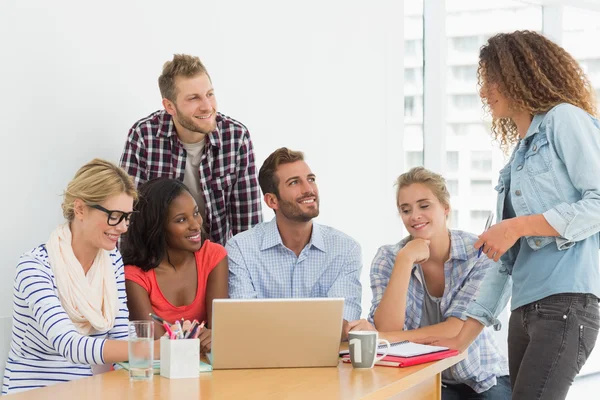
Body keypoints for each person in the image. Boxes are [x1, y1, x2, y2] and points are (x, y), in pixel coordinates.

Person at [419, 31, 600, 400]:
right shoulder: (515, 163)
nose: (485, 92)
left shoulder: (563, 120)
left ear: (521, 75)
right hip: (525, 310)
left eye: (492, 80)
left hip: (566, 302)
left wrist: (516, 226)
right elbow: (504, 263)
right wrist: (461, 338)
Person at [348, 167, 510, 399]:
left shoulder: (478, 254)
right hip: (420, 378)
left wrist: (384, 339)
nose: (414, 216)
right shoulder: (389, 257)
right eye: (405, 210)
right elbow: (387, 326)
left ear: (445, 208)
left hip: (480, 377)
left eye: (424, 206)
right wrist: (405, 261)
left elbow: (458, 329)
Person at [2, 159, 153, 395]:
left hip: (89, 390)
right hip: (34, 393)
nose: (123, 227)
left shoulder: (111, 261)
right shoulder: (34, 267)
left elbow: (122, 337)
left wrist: (156, 350)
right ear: (80, 209)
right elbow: (70, 345)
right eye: (115, 215)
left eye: (127, 217)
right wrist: (156, 350)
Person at [120, 54, 262, 246]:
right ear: (170, 106)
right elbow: (128, 215)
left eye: (210, 94)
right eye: (194, 98)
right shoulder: (144, 136)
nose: (207, 107)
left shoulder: (236, 137)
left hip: (215, 258)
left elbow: (248, 223)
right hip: (160, 258)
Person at [226, 147, 362, 338]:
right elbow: (244, 324)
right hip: (264, 364)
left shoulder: (346, 249)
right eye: (294, 182)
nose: (309, 189)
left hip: (326, 363)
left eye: (311, 179)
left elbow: (344, 325)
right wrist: (319, 325)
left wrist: (271, 325)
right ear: (272, 201)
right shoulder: (240, 249)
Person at [122, 178, 228, 353]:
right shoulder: (134, 276)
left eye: (195, 213)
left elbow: (219, 333)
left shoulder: (213, 256)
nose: (195, 225)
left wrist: (213, 336)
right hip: (155, 370)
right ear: (156, 227)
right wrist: (201, 339)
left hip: (202, 366)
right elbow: (157, 345)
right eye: (181, 220)